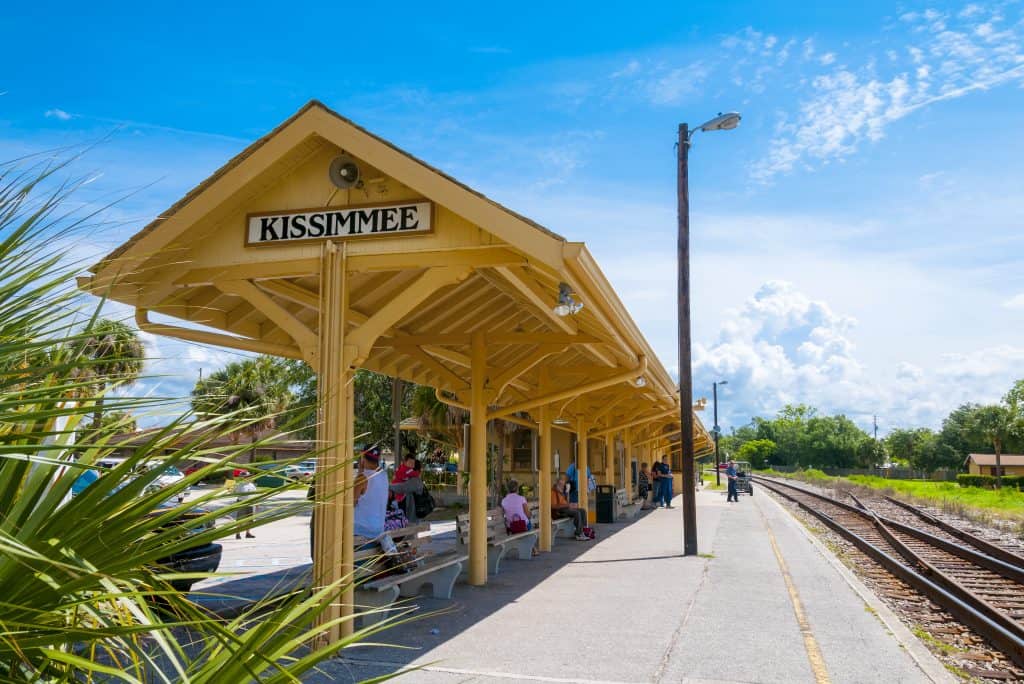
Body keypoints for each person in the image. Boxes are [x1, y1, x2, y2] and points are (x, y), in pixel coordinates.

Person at [354, 447, 388, 540]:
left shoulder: (362, 478)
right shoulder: (384, 475)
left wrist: (360, 472)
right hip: (378, 529)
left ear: (362, 457)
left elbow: (350, 503)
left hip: (361, 531)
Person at [552, 474, 589, 541]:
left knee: (582, 510)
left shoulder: (562, 492)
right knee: (576, 513)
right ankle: (578, 534)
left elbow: (566, 503)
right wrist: (568, 505)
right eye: (562, 483)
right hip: (559, 512)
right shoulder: (553, 492)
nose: (563, 485)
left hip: (565, 510)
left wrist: (568, 495)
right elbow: (554, 506)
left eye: (564, 483)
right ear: (558, 483)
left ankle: (582, 531)